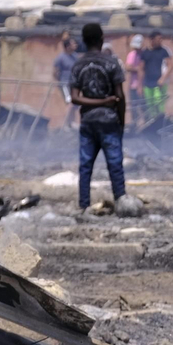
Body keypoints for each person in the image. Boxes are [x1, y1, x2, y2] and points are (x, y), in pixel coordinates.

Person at [69, 23, 127, 212]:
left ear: (84, 42)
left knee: (85, 166)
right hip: (110, 122)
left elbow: (75, 98)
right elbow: (120, 96)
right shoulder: (111, 63)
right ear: (102, 40)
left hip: (88, 122)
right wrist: (120, 119)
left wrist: (95, 102)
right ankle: (121, 202)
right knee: (115, 164)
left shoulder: (78, 65)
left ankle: (84, 205)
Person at [138, 30, 172, 122]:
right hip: (148, 83)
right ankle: (153, 123)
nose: (160, 41)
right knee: (150, 104)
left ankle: (161, 120)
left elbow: (170, 66)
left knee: (158, 102)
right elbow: (141, 69)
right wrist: (140, 85)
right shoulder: (145, 52)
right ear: (152, 40)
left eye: (161, 39)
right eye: (158, 39)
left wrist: (163, 78)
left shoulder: (164, 51)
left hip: (159, 83)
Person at [53, 36, 80, 129]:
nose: (75, 45)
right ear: (68, 46)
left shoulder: (75, 56)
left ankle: (71, 123)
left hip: (74, 84)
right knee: (70, 103)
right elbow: (55, 72)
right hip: (65, 84)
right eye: (73, 43)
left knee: (75, 104)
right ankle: (65, 124)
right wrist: (60, 83)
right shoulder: (61, 58)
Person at [124, 34, 145, 130]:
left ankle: (145, 123)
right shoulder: (132, 55)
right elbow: (128, 67)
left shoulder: (144, 55)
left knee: (144, 106)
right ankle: (135, 123)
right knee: (134, 105)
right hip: (133, 84)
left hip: (143, 85)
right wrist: (137, 69)